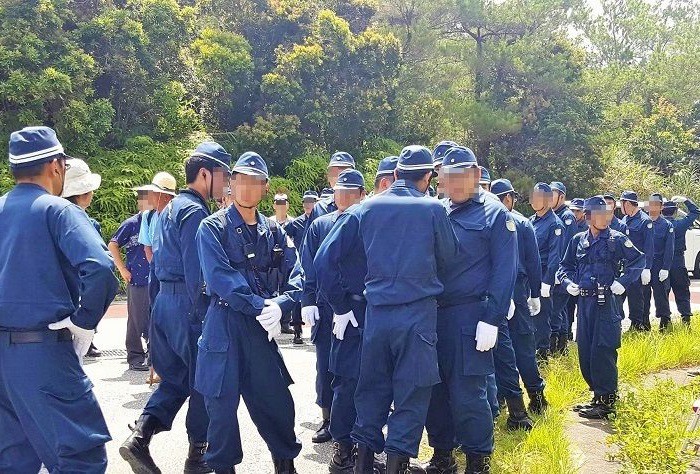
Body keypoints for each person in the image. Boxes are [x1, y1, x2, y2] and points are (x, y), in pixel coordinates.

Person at [319, 145, 458, 473]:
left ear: (395, 175)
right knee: (411, 396)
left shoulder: (364, 208)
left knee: (370, 393)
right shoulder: (434, 209)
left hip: (377, 315)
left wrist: (340, 305)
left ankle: (363, 467)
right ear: (427, 177)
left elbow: (325, 259)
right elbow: (449, 258)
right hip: (418, 315)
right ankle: (396, 466)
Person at [0, 126, 118, 473]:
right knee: (81, 458)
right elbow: (99, 268)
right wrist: (83, 323)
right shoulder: (58, 210)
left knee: (13, 460)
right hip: (43, 352)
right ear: (56, 165)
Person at [120, 142, 231, 474]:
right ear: (203, 174)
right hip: (187, 305)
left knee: (175, 380)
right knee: (203, 380)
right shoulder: (196, 212)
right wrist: (208, 313)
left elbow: (153, 263)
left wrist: (156, 315)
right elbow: (199, 271)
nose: (225, 183)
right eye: (223, 175)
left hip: (164, 304)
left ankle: (140, 435)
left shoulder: (167, 209)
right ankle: (199, 457)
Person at [195, 152, 302, 474]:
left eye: (255, 182)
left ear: (265, 188)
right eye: (241, 180)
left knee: (277, 404)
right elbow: (221, 279)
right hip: (224, 325)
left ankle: (285, 466)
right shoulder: (212, 228)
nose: (247, 187)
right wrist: (262, 306)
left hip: (260, 330)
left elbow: (297, 273)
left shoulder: (275, 232)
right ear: (231, 183)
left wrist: (283, 304)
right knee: (221, 410)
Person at [423, 147, 517, 474]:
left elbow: (504, 272)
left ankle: (478, 461)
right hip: (434, 317)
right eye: (449, 177)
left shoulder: (495, 216)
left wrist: (492, 318)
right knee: (435, 391)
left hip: (470, 317)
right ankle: (442, 456)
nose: (456, 182)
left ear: (476, 175)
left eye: (463, 174)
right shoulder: (436, 212)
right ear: (441, 180)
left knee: (469, 395)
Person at [300, 169, 367, 467]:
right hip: (328, 308)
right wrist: (308, 300)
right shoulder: (321, 224)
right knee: (326, 366)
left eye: (351, 192)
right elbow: (309, 266)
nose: (345, 197)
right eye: (341, 191)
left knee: (351, 371)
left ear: (362, 194)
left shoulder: (366, 222)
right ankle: (327, 419)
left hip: (353, 308)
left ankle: (354, 431)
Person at [558, 196, 644, 419]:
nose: (605, 219)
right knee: (585, 351)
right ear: (588, 217)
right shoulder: (578, 240)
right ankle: (597, 396)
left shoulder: (616, 239)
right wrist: (568, 284)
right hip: (584, 303)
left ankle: (607, 401)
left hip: (606, 304)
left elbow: (638, 261)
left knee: (603, 350)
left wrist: (622, 283)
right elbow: (564, 267)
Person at [491, 179, 548, 414]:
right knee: (523, 346)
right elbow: (533, 263)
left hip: (495, 291)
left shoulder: (487, 220)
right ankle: (536, 396)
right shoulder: (523, 223)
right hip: (517, 289)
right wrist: (535, 293)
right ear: (507, 198)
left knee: (499, 349)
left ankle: (502, 398)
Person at [62, 157, 105, 358]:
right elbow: (102, 269)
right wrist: (86, 319)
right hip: (72, 305)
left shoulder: (44, 216)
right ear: (86, 194)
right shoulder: (84, 224)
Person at [108, 194, 152, 372]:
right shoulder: (132, 223)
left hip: (155, 277)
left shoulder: (158, 220)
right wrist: (122, 269)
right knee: (136, 319)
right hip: (137, 278)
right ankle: (135, 356)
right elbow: (113, 244)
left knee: (154, 318)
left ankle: (153, 354)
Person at [529, 182, 564, 361]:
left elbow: (555, 256)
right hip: (529, 275)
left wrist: (548, 281)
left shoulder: (554, 224)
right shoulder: (530, 221)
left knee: (542, 317)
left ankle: (542, 353)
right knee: (529, 314)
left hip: (543, 275)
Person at [285, 189, 320, 344]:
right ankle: (297, 331)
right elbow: (283, 236)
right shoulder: (296, 222)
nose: (308, 205)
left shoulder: (321, 220)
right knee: (299, 297)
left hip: (316, 262)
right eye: (306, 202)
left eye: (311, 201)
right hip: (300, 263)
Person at [662, 196, 700, 325]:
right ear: (675, 211)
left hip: (662, 263)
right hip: (678, 261)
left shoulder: (659, 225)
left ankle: (665, 320)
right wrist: (686, 201)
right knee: (682, 291)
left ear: (662, 211)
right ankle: (686, 319)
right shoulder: (680, 224)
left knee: (663, 293)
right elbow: (695, 212)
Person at [549, 181, 577, 354]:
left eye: (553, 194)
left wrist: (560, 272)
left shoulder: (567, 217)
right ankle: (560, 345)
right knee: (559, 308)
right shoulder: (554, 215)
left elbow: (566, 246)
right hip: (555, 269)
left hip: (563, 270)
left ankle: (560, 345)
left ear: (562, 196)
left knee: (558, 307)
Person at [620, 191, 654, 331]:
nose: (621, 207)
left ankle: (637, 325)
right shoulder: (625, 220)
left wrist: (646, 268)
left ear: (627, 203)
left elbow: (649, 246)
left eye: (621, 203)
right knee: (619, 296)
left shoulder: (644, 221)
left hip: (637, 266)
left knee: (636, 298)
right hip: (624, 265)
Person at [642, 193, 674, 331]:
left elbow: (669, 248)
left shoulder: (667, 225)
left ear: (661, 207)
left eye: (656, 204)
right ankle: (644, 322)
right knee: (643, 295)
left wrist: (666, 267)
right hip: (644, 265)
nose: (652, 207)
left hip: (659, 264)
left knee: (661, 295)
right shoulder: (643, 222)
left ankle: (665, 321)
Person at [307, 152, 356, 229]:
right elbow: (310, 239)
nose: (339, 178)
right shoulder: (319, 208)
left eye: (344, 173)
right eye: (334, 173)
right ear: (328, 177)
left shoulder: (365, 207)